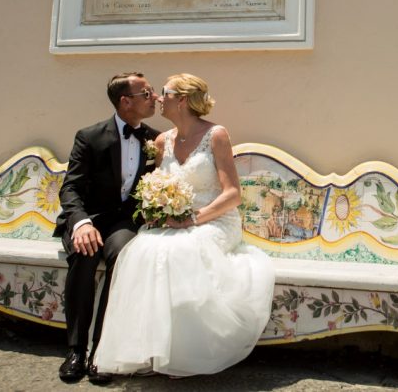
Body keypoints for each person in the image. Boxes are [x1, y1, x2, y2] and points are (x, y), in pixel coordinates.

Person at [92, 73, 275, 378]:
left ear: (183, 100)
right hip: (172, 220)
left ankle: (187, 351)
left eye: (163, 93)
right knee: (143, 249)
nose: (158, 98)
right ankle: (149, 349)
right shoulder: (161, 141)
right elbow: (151, 186)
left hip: (215, 219)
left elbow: (233, 194)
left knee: (182, 251)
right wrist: (156, 208)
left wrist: (191, 219)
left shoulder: (216, 134)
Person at [54, 72, 161, 384]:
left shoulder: (154, 139)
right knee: (84, 255)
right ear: (125, 101)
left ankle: (103, 351)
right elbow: (70, 189)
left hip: (121, 223)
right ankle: (75, 350)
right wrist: (82, 223)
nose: (153, 97)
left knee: (124, 256)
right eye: (146, 93)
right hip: (87, 218)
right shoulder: (89, 136)